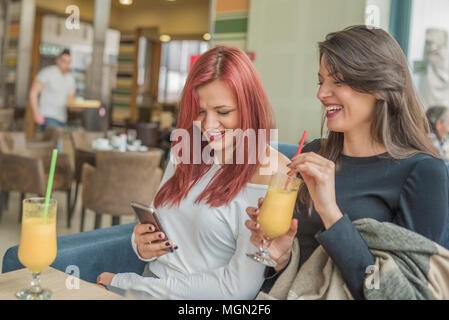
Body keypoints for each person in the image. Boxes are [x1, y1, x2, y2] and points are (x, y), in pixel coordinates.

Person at [246, 25, 449, 300]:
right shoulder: (316, 153)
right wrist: (278, 258)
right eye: (321, 82)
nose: (321, 94)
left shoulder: (423, 172)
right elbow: (295, 273)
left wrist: (330, 212)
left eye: (338, 81)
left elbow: (397, 292)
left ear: (379, 86)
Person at [95, 46, 291, 299]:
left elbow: (237, 289)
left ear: (249, 108)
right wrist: (141, 245)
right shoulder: (187, 148)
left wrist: (129, 285)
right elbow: (163, 221)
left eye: (223, 112)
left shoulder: (272, 171)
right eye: (200, 111)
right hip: (147, 286)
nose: (208, 126)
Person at [29, 48, 76, 130]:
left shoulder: (70, 79)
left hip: (62, 118)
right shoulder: (47, 73)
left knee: (59, 142)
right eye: (64, 61)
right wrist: (36, 113)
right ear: (58, 60)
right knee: (54, 142)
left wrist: (76, 107)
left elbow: (70, 101)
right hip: (48, 116)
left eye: (69, 62)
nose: (66, 65)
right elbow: (33, 92)